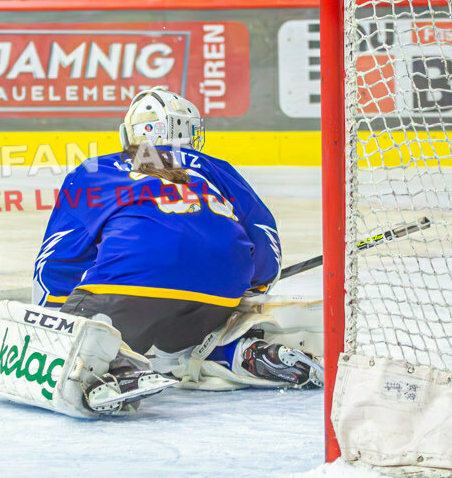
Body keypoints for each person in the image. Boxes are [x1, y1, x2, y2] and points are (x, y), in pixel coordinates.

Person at [30, 87, 322, 394]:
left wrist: (52, 323)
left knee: (93, 332)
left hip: (133, 286)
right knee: (182, 350)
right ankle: (238, 352)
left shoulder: (95, 169)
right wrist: (249, 287)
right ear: (183, 129)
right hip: (218, 292)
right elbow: (265, 243)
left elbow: (58, 258)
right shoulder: (215, 168)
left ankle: (111, 364)